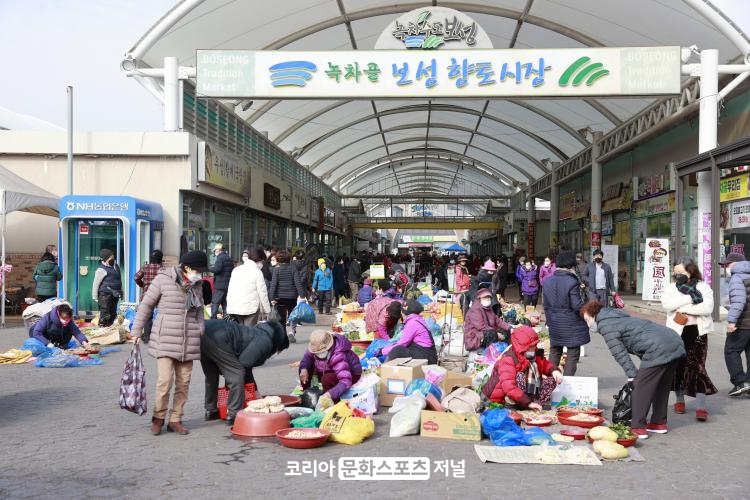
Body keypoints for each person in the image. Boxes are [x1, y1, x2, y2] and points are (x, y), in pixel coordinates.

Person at [130, 250, 208, 436]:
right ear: (186, 267)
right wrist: (136, 330)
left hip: (189, 340)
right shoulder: (163, 279)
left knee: (184, 383)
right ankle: (158, 418)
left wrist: (200, 328)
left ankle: (175, 419)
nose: (200, 274)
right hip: (165, 337)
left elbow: (199, 310)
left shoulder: (197, 285)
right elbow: (146, 305)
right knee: (164, 382)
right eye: (198, 270)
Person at [581, 300, 685, 439]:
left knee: (640, 387)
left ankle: (638, 427)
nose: (588, 325)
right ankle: (658, 424)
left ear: (594, 315)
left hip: (658, 348)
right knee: (661, 386)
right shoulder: (617, 317)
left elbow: (619, 353)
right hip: (675, 342)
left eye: (587, 320)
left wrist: (632, 375)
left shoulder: (606, 325)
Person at [201, 319, 288, 426]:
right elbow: (245, 364)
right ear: (278, 344)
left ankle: (211, 410)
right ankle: (234, 414)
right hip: (218, 336)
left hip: (202, 331)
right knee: (236, 374)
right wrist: (255, 390)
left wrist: (254, 389)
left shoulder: (257, 332)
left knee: (211, 375)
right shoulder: (265, 341)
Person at [661, 257, 717, 421]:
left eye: (681, 271)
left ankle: (701, 407)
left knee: (699, 368)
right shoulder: (671, 287)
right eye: (675, 272)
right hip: (676, 332)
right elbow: (667, 305)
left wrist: (682, 307)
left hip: (698, 332)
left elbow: (707, 308)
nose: (677, 275)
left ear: (691, 270)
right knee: (678, 367)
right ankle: (679, 401)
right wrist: (691, 299)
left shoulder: (703, 286)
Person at [483, 326, 563, 409]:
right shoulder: (508, 359)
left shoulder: (533, 353)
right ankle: (515, 402)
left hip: (525, 390)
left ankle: (536, 401)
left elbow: (545, 364)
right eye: (530, 346)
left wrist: (554, 371)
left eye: (534, 345)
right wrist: (528, 403)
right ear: (521, 347)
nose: (533, 348)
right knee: (520, 376)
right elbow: (508, 386)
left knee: (552, 380)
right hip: (503, 395)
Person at [542, 250, 589, 376]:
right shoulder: (572, 282)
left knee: (555, 351)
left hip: (554, 323)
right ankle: (568, 381)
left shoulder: (547, 281)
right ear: (571, 265)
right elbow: (577, 306)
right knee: (572, 353)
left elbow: (545, 305)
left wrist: (549, 321)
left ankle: (549, 380)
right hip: (571, 325)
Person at [299, 330, 363, 405]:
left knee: (327, 379)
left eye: (321, 352)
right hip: (328, 369)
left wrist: (330, 394)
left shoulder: (338, 355)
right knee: (305, 367)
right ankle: (307, 393)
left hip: (350, 375)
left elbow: (346, 381)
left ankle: (335, 401)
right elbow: (307, 358)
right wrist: (304, 369)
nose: (318, 354)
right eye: (317, 352)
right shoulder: (315, 347)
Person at [723, 252, 750, 397]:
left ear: (734, 264)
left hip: (742, 323)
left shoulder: (737, 277)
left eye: (727, 264)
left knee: (731, 351)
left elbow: (739, 301)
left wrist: (732, 321)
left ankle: (740, 382)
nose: (726, 267)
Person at [381, 300, 437, 364]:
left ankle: (387, 369)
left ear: (404, 313)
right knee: (398, 348)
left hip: (428, 358)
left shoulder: (413, 323)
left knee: (397, 351)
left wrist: (382, 351)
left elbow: (402, 343)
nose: (401, 314)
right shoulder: (417, 319)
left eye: (402, 312)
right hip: (427, 355)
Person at [226, 248, 271, 327]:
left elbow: (230, 289)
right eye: (262, 261)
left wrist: (229, 305)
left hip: (234, 307)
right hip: (250, 309)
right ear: (259, 260)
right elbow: (262, 293)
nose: (262, 264)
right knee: (249, 332)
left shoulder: (236, 270)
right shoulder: (257, 272)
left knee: (238, 331)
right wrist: (267, 310)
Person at [269, 250, 306, 343]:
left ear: (278, 259)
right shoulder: (293, 269)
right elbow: (298, 282)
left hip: (279, 297)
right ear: (289, 258)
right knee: (292, 315)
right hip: (291, 296)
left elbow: (273, 284)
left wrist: (271, 297)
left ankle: (283, 335)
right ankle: (292, 332)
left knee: (281, 317)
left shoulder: (276, 270)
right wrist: (302, 295)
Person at [134, 250, 164, 342]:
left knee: (147, 316)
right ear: (160, 259)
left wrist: (142, 285)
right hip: (160, 295)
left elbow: (136, 277)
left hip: (147, 294)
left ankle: (147, 337)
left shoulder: (145, 267)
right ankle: (159, 336)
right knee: (161, 316)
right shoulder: (163, 269)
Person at [92, 249, 122, 327]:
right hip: (105, 295)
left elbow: (119, 280)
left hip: (115, 294)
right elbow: (95, 284)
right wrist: (95, 297)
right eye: (110, 257)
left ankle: (109, 328)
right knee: (105, 314)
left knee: (113, 313)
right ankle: (102, 328)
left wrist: (121, 291)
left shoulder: (116, 266)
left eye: (113, 257)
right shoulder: (101, 269)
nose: (113, 258)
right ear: (106, 258)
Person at [209, 243, 233, 319]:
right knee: (225, 304)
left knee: (215, 302)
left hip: (220, 285)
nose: (214, 253)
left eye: (215, 251)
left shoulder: (220, 258)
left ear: (218, 250)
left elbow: (217, 269)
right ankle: (227, 320)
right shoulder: (229, 258)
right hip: (227, 285)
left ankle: (213, 319)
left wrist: (208, 268)